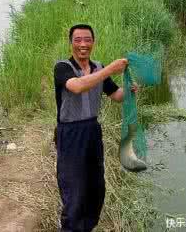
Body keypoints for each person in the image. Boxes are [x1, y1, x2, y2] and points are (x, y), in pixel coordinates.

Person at [54, 24, 131, 231]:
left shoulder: (98, 66)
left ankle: (87, 227)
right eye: (78, 40)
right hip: (70, 134)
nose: (83, 44)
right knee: (74, 189)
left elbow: (116, 96)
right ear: (71, 43)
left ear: (93, 42)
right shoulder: (62, 67)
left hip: (92, 132)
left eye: (87, 40)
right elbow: (77, 86)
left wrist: (131, 90)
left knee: (96, 188)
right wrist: (110, 70)